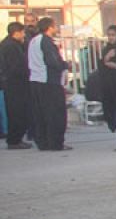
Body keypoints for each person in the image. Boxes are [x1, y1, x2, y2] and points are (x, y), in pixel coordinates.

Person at [27, 17, 70, 152]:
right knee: (55, 113)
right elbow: (52, 61)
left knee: (40, 113)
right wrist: (65, 65)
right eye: (54, 26)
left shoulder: (34, 40)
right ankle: (56, 143)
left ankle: (43, 142)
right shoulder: (46, 41)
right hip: (49, 81)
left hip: (36, 80)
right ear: (50, 27)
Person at [2, 21, 33, 149]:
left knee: (18, 112)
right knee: (17, 113)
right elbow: (16, 66)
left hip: (15, 84)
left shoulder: (12, 44)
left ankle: (16, 139)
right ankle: (14, 140)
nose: (24, 35)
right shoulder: (10, 46)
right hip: (15, 84)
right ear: (16, 33)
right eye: (22, 32)